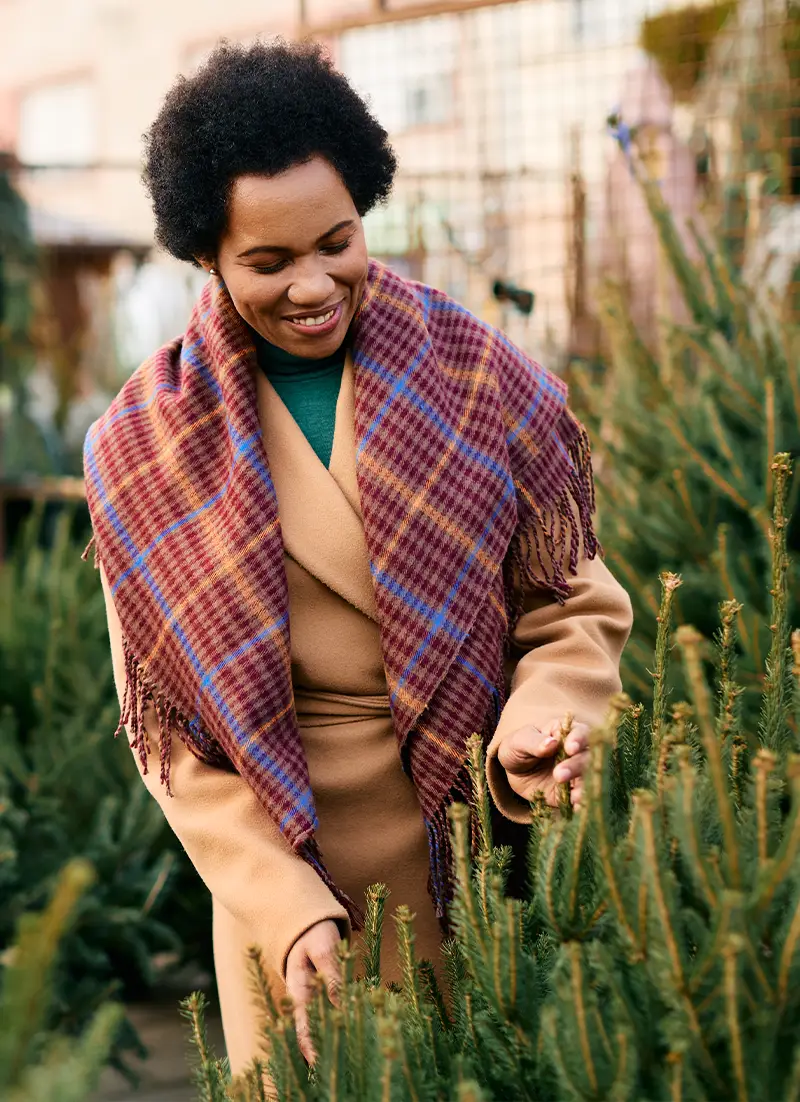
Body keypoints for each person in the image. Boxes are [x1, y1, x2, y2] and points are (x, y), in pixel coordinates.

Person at [83, 40, 633, 1075]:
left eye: (335, 242)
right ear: (208, 255)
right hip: (285, 904)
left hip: (477, 866)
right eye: (268, 261)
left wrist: (540, 719)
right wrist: (283, 905)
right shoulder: (142, 447)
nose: (312, 285)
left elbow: (568, 603)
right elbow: (169, 743)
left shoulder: (476, 373)